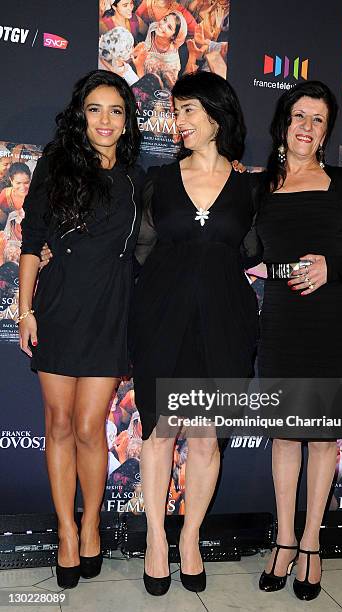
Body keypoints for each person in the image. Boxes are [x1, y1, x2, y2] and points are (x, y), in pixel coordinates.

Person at [131, 70, 259, 596]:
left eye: (187, 111)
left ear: (215, 116)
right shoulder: (156, 181)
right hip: (161, 318)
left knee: (206, 438)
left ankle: (189, 539)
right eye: (175, 110)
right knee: (161, 432)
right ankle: (156, 542)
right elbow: (136, 250)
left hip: (226, 323)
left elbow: (255, 251)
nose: (176, 120)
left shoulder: (252, 186)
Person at [252, 81, 342, 600]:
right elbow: (241, 249)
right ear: (284, 123)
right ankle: (283, 539)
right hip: (282, 320)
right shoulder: (259, 187)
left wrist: (333, 267)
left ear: (328, 131)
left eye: (319, 120)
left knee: (323, 435)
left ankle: (311, 543)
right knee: (284, 434)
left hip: (333, 318)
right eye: (299, 116)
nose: (307, 127)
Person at [18, 70, 143, 589]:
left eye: (116, 110)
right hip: (60, 308)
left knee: (92, 428)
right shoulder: (56, 164)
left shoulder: (139, 179)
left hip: (111, 311)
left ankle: (92, 525)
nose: (105, 120)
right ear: (80, 115)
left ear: (126, 120)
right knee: (59, 425)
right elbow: (32, 239)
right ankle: (66, 532)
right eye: (95, 109)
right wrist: (24, 309)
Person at [132, 11, 188, 89]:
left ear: (173, 37)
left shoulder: (172, 65)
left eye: (169, 27)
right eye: (165, 19)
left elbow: (164, 94)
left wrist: (139, 66)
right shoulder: (153, 28)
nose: (162, 25)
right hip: (134, 74)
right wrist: (134, 53)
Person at [0, 162, 31, 228]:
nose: (22, 187)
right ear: (11, 180)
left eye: (26, 183)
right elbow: (3, 221)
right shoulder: (6, 194)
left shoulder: (37, 196)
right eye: (18, 183)